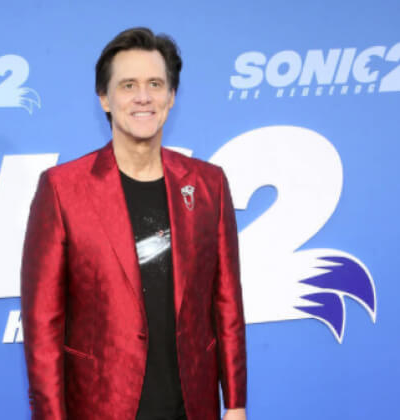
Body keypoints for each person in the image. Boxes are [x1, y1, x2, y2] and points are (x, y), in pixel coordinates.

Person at [21, 27, 247, 420]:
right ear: (104, 98)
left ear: (171, 96)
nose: (143, 97)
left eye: (155, 84)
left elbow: (227, 301)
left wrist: (236, 403)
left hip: (192, 406)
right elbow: (43, 325)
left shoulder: (208, 184)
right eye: (128, 85)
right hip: (101, 407)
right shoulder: (62, 189)